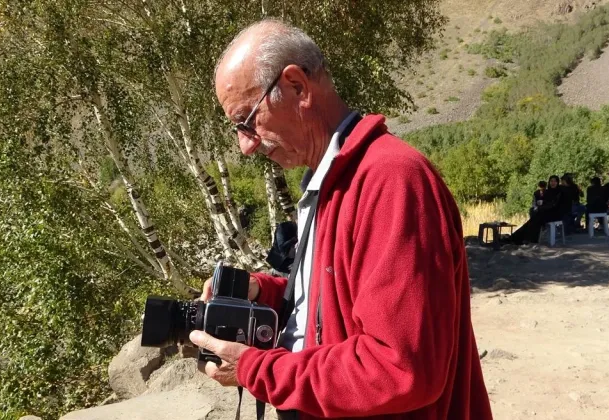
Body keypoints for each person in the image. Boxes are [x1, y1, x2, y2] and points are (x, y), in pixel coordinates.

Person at [190, 19, 492, 420]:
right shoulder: (327, 181)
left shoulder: (391, 180)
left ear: (297, 87)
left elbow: (400, 366)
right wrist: (262, 292)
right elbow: (333, 303)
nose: (245, 146)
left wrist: (257, 370)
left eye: (247, 121)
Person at [508, 175, 568, 244]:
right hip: (546, 212)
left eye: (555, 181)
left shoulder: (559, 192)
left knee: (537, 218)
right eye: (551, 181)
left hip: (555, 214)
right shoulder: (548, 192)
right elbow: (546, 202)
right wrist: (541, 204)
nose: (553, 183)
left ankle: (525, 238)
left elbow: (554, 204)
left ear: (557, 182)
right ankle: (518, 238)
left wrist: (541, 207)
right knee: (534, 219)